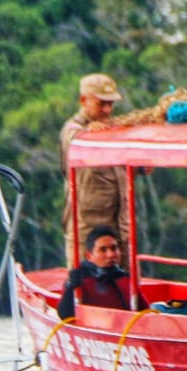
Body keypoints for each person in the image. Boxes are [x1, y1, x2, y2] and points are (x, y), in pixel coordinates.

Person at [60, 73, 128, 265]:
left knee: (126, 279)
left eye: (111, 104)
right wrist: (93, 133)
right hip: (87, 231)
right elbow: (77, 143)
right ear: (84, 101)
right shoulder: (73, 130)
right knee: (86, 280)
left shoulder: (112, 128)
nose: (107, 110)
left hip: (119, 228)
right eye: (101, 104)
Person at [57, 226, 148, 320]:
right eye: (103, 250)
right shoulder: (80, 280)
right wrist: (71, 287)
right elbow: (65, 316)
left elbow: (146, 313)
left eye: (114, 248)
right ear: (89, 256)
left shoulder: (126, 280)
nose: (111, 254)